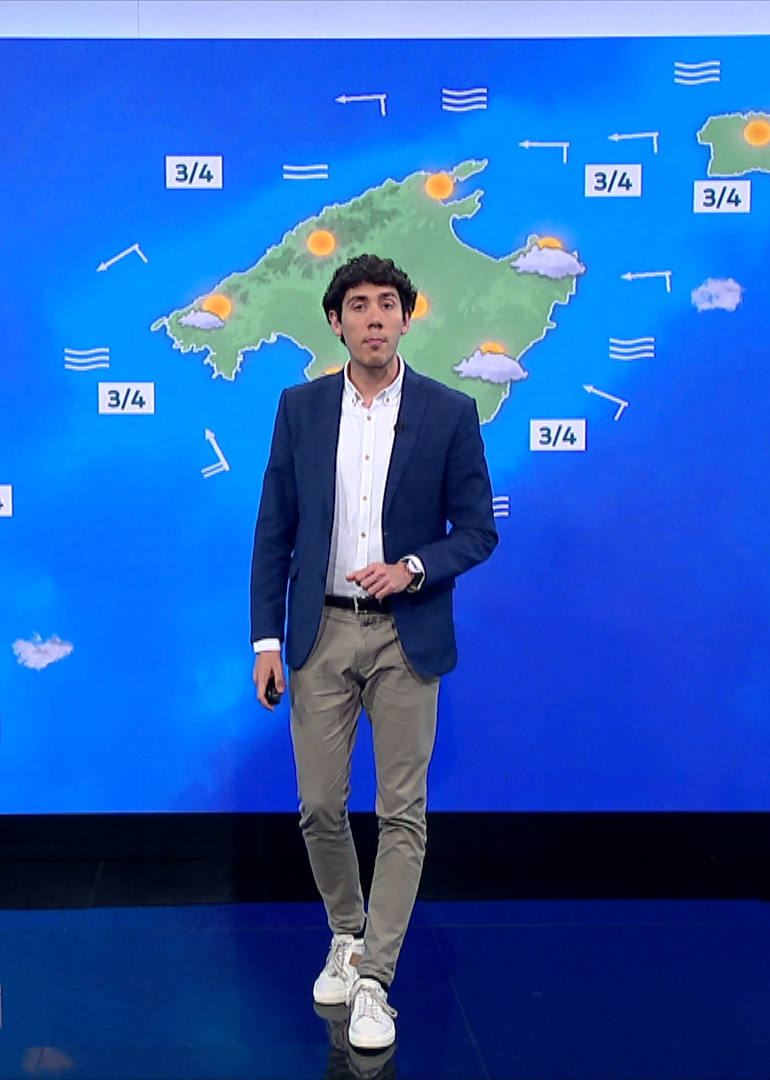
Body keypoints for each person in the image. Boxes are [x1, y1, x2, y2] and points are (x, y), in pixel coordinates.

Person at [250, 254, 499, 1051]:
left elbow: (478, 532)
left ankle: (375, 982)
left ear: (405, 316)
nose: (374, 318)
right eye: (358, 305)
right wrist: (266, 639)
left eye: (387, 303)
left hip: (405, 632)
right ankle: (347, 934)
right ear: (336, 322)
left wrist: (413, 567)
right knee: (320, 807)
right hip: (318, 632)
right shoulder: (300, 408)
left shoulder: (450, 411)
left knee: (402, 813)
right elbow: (275, 530)